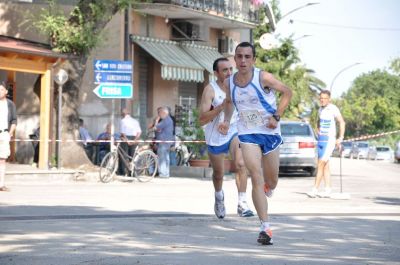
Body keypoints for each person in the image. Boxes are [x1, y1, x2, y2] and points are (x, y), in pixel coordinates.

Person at [219, 42, 292, 245]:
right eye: (239, 56)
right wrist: (226, 121)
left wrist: (276, 116)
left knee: (272, 180)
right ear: (235, 58)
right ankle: (265, 227)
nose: (243, 61)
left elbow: (288, 92)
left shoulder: (263, 77)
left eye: (247, 57)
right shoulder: (229, 82)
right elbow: (229, 102)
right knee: (255, 176)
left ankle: (270, 186)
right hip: (248, 132)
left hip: (269, 132)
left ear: (253, 59)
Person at [199, 57, 254, 219]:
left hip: (234, 131)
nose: (229, 73)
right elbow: (202, 119)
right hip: (215, 136)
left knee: (241, 164)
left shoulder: (239, 86)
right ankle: (219, 197)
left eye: (231, 69)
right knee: (218, 173)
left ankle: (242, 203)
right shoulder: (210, 90)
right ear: (216, 73)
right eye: (225, 70)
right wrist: (220, 107)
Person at [307, 90, 345, 198]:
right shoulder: (320, 109)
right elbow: (319, 121)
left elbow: (342, 122)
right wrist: (318, 129)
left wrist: (340, 138)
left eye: (324, 98)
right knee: (325, 165)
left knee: (320, 164)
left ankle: (314, 189)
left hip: (329, 140)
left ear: (329, 99)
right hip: (321, 140)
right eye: (321, 98)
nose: (322, 100)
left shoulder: (333, 108)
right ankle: (328, 189)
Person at [0, 81, 17, 192]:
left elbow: (14, 120)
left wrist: (10, 134)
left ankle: (1, 185)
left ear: (6, 91)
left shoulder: (10, 104)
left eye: (1, 89)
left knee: (2, 160)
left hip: (4, 134)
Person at [151, 106, 174, 178]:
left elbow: (156, 128)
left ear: (164, 112)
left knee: (162, 158)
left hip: (163, 142)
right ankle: (166, 173)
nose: (159, 115)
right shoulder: (169, 120)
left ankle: (163, 174)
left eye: (159, 113)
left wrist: (156, 121)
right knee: (166, 158)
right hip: (167, 142)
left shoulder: (165, 120)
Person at [119, 108, 142, 175]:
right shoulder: (135, 121)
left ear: (123, 114)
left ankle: (125, 172)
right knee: (133, 155)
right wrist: (135, 140)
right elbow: (139, 132)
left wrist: (127, 140)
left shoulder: (123, 121)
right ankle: (135, 172)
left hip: (126, 137)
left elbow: (123, 132)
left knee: (124, 155)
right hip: (134, 137)